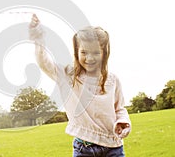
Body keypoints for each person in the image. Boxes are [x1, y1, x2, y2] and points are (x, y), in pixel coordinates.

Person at [29, 14, 131, 157]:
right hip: (84, 149)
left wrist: (123, 122)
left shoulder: (112, 81)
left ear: (104, 53)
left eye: (96, 52)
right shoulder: (69, 76)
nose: (89, 58)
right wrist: (38, 39)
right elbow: (44, 63)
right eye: (84, 52)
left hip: (113, 147)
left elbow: (119, 109)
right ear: (77, 52)